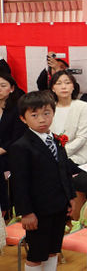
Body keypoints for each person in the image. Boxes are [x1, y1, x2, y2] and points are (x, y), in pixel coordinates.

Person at [9, 91, 76, 271]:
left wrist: (70, 198)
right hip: (37, 211)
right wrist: (26, 212)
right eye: (34, 115)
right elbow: (19, 184)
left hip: (59, 206)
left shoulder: (56, 140)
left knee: (53, 250)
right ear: (23, 119)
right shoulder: (21, 147)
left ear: (53, 113)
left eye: (46, 113)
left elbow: (64, 171)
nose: (42, 119)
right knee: (36, 254)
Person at [49, 70, 87, 165]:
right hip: (52, 155)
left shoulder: (83, 106)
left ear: (73, 86)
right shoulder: (49, 108)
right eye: (59, 83)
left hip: (77, 157)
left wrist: (60, 154)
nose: (64, 87)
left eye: (67, 83)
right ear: (53, 88)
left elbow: (82, 138)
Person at [0, 73, 26, 216]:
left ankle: (3, 207)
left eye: (3, 86)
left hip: (10, 153)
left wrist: (2, 149)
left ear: (11, 89)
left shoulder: (16, 110)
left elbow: (17, 137)